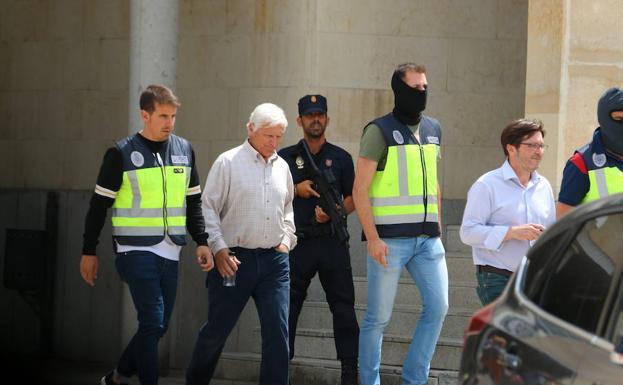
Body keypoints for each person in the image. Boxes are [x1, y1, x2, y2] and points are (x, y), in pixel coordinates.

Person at [79, 84, 213, 385]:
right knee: (152, 322)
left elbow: (193, 202)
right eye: (163, 115)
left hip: (172, 250)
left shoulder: (184, 150)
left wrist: (202, 241)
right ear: (144, 115)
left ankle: (118, 377)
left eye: (173, 116)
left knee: (158, 325)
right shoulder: (121, 153)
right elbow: (98, 206)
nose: (169, 123)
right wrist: (88, 250)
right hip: (134, 250)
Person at [186, 103, 296, 385]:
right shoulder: (228, 162)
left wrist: (286, 240)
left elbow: (288, 209)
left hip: (274, 263)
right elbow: (207, 208)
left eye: (278, 137)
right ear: (250, 129)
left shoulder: (283, 167)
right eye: (268, 136)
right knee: (216, 332)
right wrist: (219, 248)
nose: (273, 143)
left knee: (278, 334)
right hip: (232, 261)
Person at [352, 63, 448, 385]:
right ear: (399, 90)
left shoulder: (434, 128)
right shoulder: (378, 131)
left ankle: (414, 379)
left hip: (428, 242)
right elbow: (359, 189)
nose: (422, 93)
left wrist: (438, 227)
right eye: (415, 88)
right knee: (378, 318)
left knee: (438, 307)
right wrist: (373, 238)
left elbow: (433, 183)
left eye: (425, 87)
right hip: (389, 242)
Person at [278, 95, 359, 385]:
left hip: (331, 242)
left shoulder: (340, 158)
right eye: (310, 115)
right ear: (300, 120)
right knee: (287, 307)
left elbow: (354, 197)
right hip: (298, 243)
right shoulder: (286, 158)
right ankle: (280, 369)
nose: (316, 119)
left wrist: (335, 212)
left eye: (320, 114)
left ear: (327, 119)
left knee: (343, 307)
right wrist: (294, 189)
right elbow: (270, 195)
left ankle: (350, 371)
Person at [460, 119, 556, 306]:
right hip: (497, 279)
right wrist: (511, 233)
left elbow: (550, 231)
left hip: (535, 280)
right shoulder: (486, 185)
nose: (539, 152)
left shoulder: (544, 186)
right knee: (508, 334)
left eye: (542, 146)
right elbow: (468, 232)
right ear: (511, 148)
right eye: (532, 146)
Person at [557, 87, 623, 218]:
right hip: (601, 238)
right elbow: (563, 222)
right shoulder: (581, 163)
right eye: (620, 119)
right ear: (604, 118)